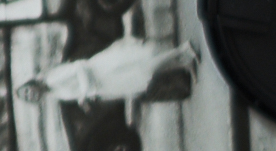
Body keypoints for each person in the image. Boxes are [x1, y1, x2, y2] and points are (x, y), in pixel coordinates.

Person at [17, 37, 198, 105]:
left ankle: (183, 50)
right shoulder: (53, 94)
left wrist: (84, 93)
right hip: (107, 85)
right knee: (145, 78)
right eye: (28, 97)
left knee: (145, 69)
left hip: (102, 70)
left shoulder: (51, 80)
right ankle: (183, 64)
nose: (30, 94)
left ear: (30, 83)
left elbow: (79, 67)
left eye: (27, 91)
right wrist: (87, 95)